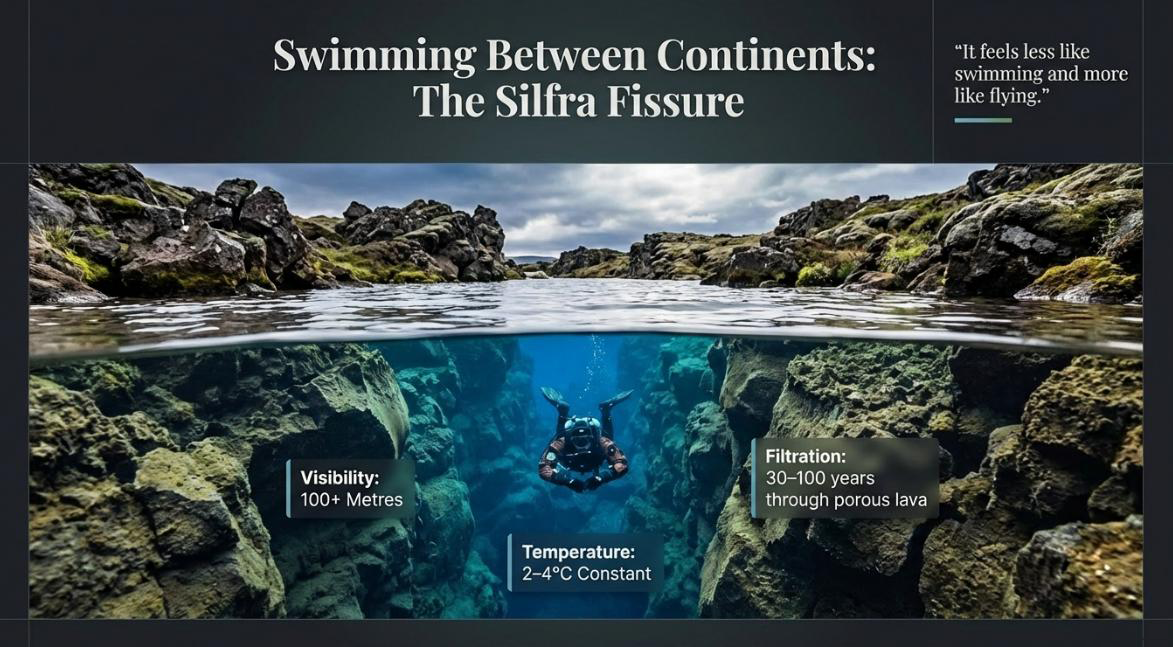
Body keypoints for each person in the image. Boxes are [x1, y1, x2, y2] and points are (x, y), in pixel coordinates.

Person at [537, 386, 633, 492]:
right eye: (578, 440)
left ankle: (565, 412)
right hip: (574, 451)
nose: (581, 444)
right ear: (570, 437)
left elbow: (622, 464)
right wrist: (567, 481)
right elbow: (544, 467)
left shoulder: (601, 441)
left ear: (592, 437)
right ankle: (565, 413)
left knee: (607, 438)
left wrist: (601, 478)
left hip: (585, 455)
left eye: (584, 440)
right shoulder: (562, 442)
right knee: (560, 435)